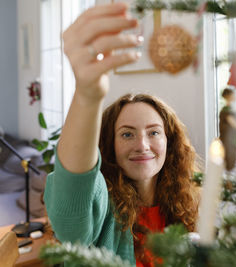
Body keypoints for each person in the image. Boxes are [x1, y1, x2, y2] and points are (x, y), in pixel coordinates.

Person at [43, 3, 199, 266]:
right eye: (127, 135)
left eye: (154, 132)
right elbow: (72, 216)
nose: (142, 145)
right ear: (109, 144)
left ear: (169, 142)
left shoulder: (183, 200)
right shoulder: (103, 204)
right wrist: (88, 94)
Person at [219, 88, 236, 171]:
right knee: (229, 158)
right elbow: (233, 123)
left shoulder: (231, 109)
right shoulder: (226, 111)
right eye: (233, 94)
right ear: (228, 96)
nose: (234, 96)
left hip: (232, 139)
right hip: (228, 140)